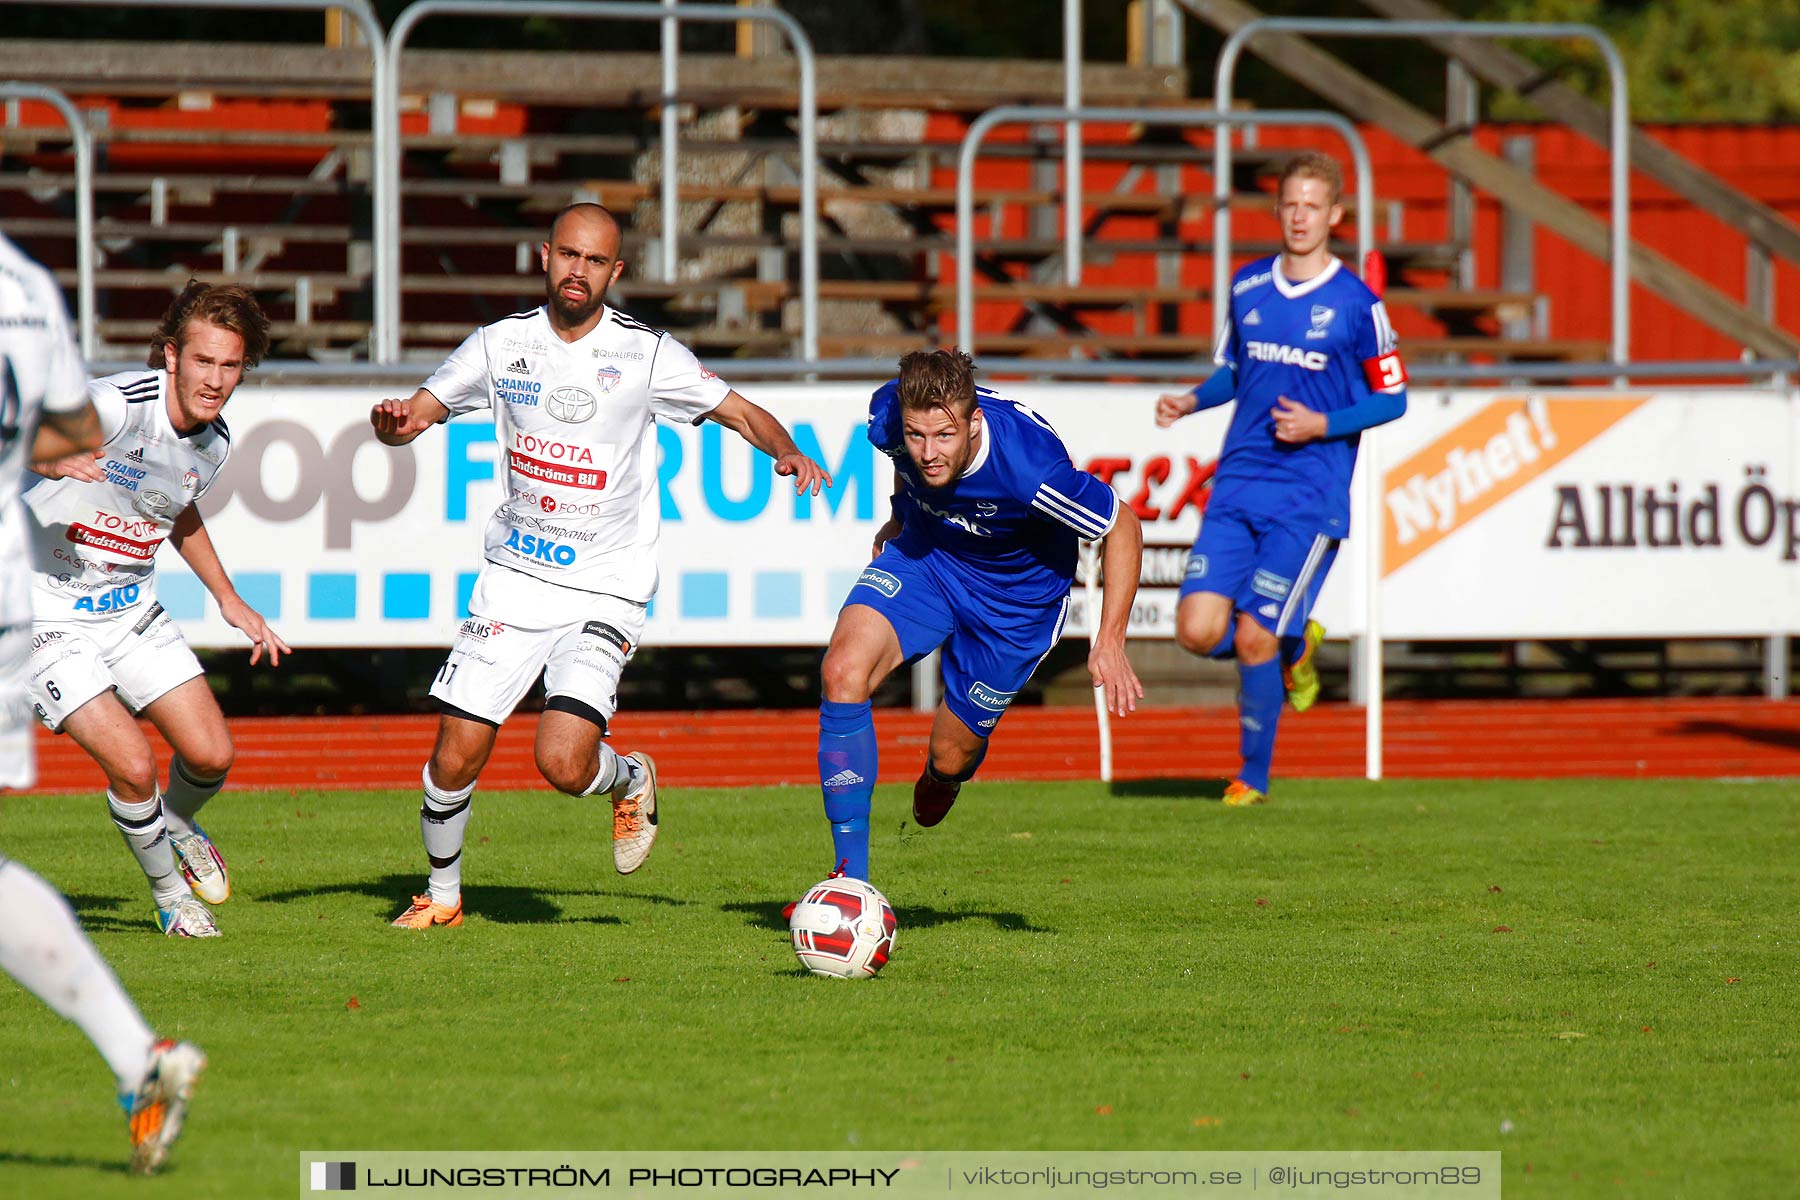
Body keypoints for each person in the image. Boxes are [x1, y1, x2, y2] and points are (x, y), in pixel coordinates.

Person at [371, 202, 831, 930]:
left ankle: (628, 777)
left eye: (595, 261)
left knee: (561, 762)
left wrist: (785, 449)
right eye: (568, 256)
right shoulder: (498, 346)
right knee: (456, 753)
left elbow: (739, 410)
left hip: (605, 587)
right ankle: (444, 897)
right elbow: (421, 413)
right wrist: (395, 427)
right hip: (514, 581)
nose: (578, 271)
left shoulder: (646, 354)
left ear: (615, 272)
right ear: (544, 256)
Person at [0, 232, 206, 1174]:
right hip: (23, 599)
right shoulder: (28, 284)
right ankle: (139, 1058)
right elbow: (71, 433)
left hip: (54, 608)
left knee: (182, 756)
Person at [811, 348, 1144, 886]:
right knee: (842, 671)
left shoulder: (1030, 471)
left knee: (949, 755)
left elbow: (1121, 527)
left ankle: (945, 775)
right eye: (918, 436)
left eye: (944, 437)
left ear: (974, 422)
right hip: (929, 560)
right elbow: (906, 469)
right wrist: (899, 519)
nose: (928, 452)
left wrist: (1109, 639)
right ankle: (849, 881)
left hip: (1015, 605)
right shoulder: (891, 416)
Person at [24, 280, 286, 935]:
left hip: (129, 608)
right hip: (41, 613)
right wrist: (51, 460)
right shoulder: (115, 405)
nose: (216, 379)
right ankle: (172, 898)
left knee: (212, 756)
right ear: (171, 355)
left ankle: (177, 821)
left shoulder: (215, 442)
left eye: (231, 366)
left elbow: (177, 508)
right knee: (134, 765)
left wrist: (228, 598)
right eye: (204, 361)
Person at [1155, 151, 1408, 805]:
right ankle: (1296, 644)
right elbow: (1236, 373)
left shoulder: (1357, 303)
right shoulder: (1247, 287)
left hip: (1308, 493)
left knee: (1251, 634)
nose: (1300, 217)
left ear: (1335, 215)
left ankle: (1253, 777)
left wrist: (1323, 423)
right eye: (1290, 204)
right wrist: (1191, 399)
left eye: (1313, 206)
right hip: (1239, 484)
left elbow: (1393, 397)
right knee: (1197, 631)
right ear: (1278, 212)